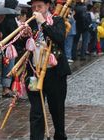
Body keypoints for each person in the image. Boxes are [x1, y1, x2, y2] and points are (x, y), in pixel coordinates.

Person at [23, 0, 71, 139]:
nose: (36, 9)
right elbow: (22, 47)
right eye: (33, 7)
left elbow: (59, 38)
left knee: (56, 110)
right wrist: (23, 36)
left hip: (54, 74)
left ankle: (60, 136)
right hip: (34, 73)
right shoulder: (30, 23)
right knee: (36, 111)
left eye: (39, 6)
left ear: (48, 6)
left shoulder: (57, 20)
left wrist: (43, 23)